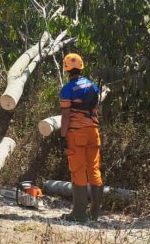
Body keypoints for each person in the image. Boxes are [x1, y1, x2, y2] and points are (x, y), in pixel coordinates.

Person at [58, 53, 103, 222]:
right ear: (82, 67)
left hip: (77, 133)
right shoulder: (93, 86)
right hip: (94, 132)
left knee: (78, 171)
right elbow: (96, 108)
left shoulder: (67, 89)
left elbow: (65, 115)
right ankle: (95, 214)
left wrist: (62, 137)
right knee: (94, 169)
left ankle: (78, 214)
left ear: (66, 69)